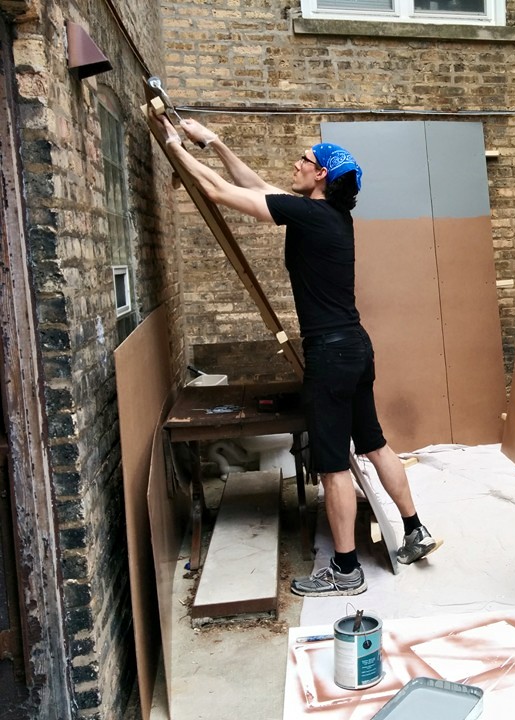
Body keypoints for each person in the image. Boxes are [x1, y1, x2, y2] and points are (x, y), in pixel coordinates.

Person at [152, 112, 441, 597]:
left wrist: (173, 146)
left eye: (303, 160)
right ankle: (415, 531)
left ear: (321, 174)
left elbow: (224, 194)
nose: (295, 163)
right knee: (374, 442)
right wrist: (214, 143)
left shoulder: (309, 214)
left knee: (331, 467)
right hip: (356, 348)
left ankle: (346, 570)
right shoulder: (331, 215)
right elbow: (255, 185)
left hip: (330, 355)